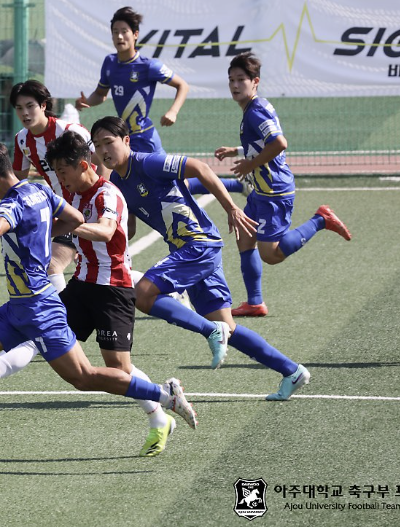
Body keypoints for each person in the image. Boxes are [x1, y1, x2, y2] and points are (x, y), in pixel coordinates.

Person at [0, 141, 198, 446]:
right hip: (17, 307)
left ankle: (164, 394)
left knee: (84, 377)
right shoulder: (40, 190)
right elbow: (74, 218)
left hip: (42, 310)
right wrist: (43, 233)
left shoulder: (13, 202)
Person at [0, 131, 179, 457]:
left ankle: (159, 414)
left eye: (63, 172)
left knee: (119, 370)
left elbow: (106, 232)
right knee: (36, 336)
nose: (60, 179)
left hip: (113, 290)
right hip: (81, 284)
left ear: (81, 165)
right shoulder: (70, 193)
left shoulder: (108, 195)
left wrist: (65, 223)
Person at [91, 115, 311, 401]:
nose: (103, 150)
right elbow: (128, 228)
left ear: (126, 141)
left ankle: (211, 331)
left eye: (108, 142)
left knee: (143, 294)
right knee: (228, 327)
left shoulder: (147, 162)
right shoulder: (118, 182)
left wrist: (231, 208)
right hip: (189, 251)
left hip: (198, 245)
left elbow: (200, 167)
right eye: (97, 145)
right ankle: (292, 371)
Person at [214, 52, 352, 317]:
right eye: (231, 79)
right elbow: (263, 143)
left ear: (255, 81)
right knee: (245, 237)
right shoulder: (255, 107)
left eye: (241, 79)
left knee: (272, 254)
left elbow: (279, 143)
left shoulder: (254, 112)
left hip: (274, 191)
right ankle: (255, 302)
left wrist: (249, 164)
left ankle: (320, 220)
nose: (234, 85)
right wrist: (237, 151)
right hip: (261, 190)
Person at [74, 5, 245, 196]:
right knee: (120, 187)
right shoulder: (110, 63)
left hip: (145, 139)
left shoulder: (149, 66)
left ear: (135, 34)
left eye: (124, 32)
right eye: (115, 32)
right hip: (123, 140)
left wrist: (173, 111)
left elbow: (183, 85)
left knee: (177, 186)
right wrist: (88, 101)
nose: (120, 37)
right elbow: (101, 94)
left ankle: (237, 186)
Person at [11, 79, 108, 293]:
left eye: (30, 106)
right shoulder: (22, 140)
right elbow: (17, 182)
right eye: (19, 108)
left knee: (94, 270)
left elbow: (102, 163)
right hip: (65, 211)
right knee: (95, 271)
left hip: (90, 208)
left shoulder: (68, 130)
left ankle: (62, 318)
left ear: (43, 105)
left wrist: (100, 203)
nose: (25, 113)